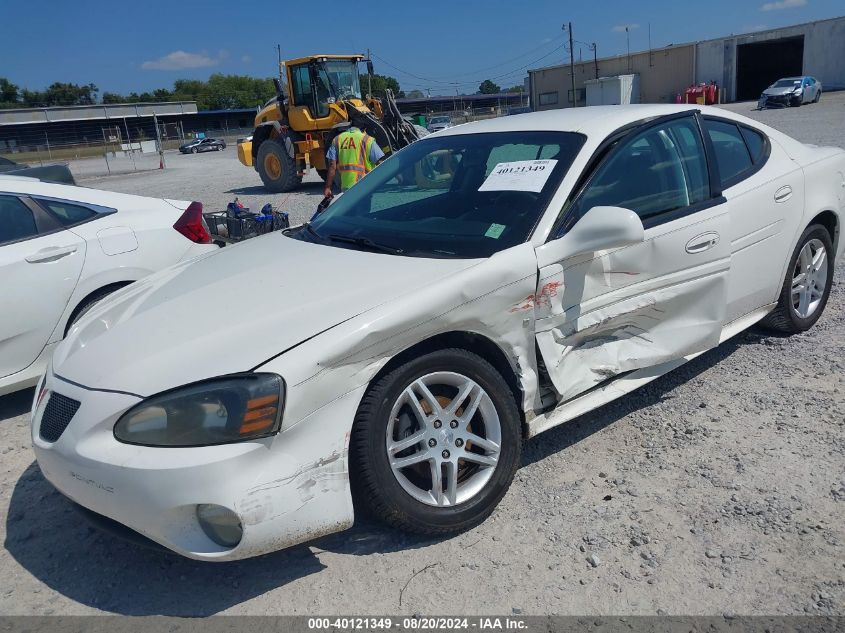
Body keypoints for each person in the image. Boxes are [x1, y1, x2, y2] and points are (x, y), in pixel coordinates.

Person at [323, 122, 385, 197]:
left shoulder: (337, 139)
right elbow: (380, 163)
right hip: (366, 186)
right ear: (363, 129)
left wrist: (328, 187)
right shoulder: (368, 139)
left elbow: (332, 165)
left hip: (346, 186)